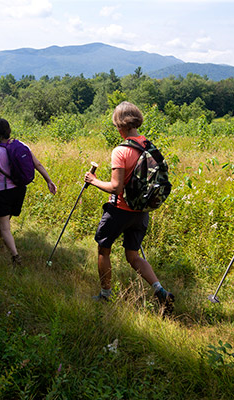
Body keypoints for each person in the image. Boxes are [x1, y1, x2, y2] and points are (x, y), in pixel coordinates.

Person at [83, 101, 174, 312]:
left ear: (119, 125)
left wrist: (93, 181)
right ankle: (160, 291)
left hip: (120, 210)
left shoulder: (121, 151)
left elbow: (116, 188)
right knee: (133, 256)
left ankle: (105, 294)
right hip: (141, 211)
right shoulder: (150, 146)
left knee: (103, 249)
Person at [0, 118, 57, 265]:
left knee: (4, 227)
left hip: (2, 192)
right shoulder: (21, 145)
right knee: (5, 223)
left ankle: (15, 257)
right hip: (19, 191)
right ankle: (2, 245)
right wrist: (49, 181)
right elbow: (38, 164)